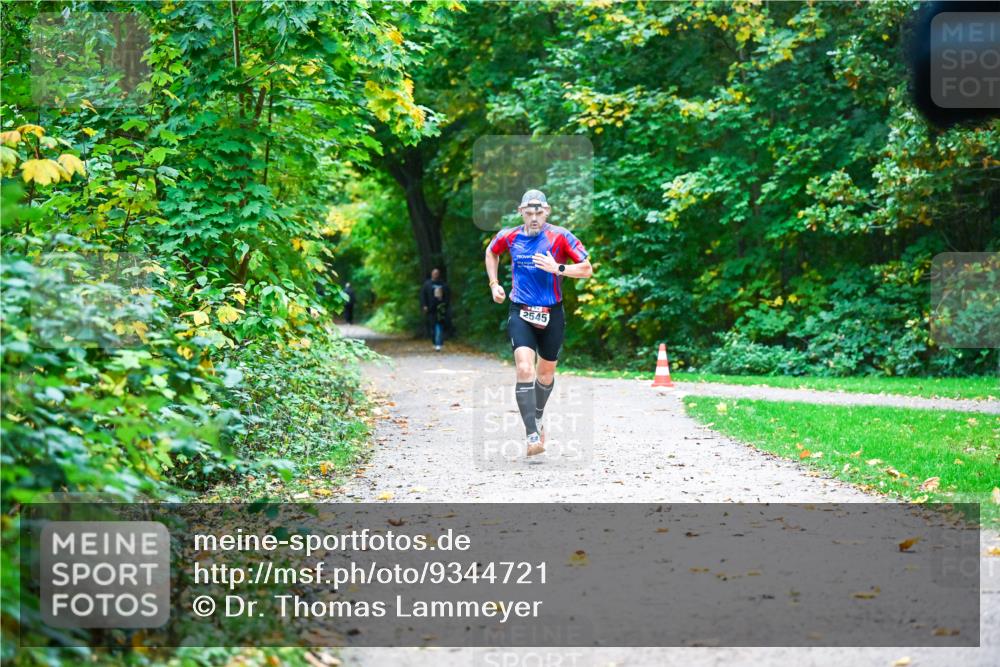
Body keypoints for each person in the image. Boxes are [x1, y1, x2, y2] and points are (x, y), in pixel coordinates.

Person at [484, 189, 593, 457]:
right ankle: (532, 433)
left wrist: (558, 268)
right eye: (529, 213)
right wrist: (494, 283)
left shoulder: (561, 237)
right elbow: (491, 251)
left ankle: (539, 414)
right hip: (520, 310)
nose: (534, 218)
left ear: (547, 212)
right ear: (521, 212)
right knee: (524, 369)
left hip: (552, 313)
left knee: (545, 375)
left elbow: (587, 269)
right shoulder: (509, 236)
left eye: (539, 213)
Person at [419, 268, 450, 351]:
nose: (436, 274)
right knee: (432, 327)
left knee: (439, 326)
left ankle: (438, 343)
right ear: (431, 274)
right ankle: (434, 341)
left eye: (437, 273)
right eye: (434, 273)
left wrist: (445, 304)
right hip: (431, 309)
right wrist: (424, 305)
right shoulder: (427, 284)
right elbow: (423, 295)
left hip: (440, 308)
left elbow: (447, 296)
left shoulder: (443, 284)